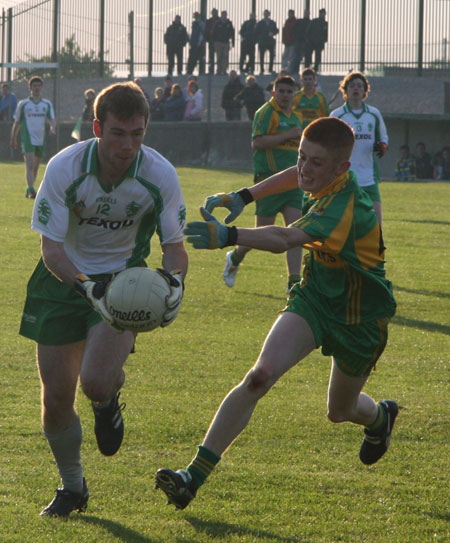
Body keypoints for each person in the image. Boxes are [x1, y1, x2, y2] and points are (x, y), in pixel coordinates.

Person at [155, 117, 398, 510]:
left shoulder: (345, 207)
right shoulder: (317, 178)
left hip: (361, 318)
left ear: (342, 169)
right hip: (315, 298)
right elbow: (292, 176)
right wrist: (244, 196)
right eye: (302, 156)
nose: (304, 168)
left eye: (315, 163)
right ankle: (191, 477)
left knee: (340, 411)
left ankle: (378, 418)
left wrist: (229, 236)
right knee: (259, 376)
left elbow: (285, 238)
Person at [19, 81, 188, 518]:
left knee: (94, 381)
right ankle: (73, 488)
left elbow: (174, 247)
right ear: (97, 127)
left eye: (138, 134)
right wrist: (85, 286)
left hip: (123, 285)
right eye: (118, 133)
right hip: (61, 281)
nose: (128, 145)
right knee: (56, 399)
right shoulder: (64, 168)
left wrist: (174, 284)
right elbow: (51, 250)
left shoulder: (159, 175)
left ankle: (107, 401)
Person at [221, 75, 304, 292]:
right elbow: (257, 142)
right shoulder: (266, 112)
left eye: (289, 91)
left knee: (295, 233)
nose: (286, 95)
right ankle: (235, 257)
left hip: (294, 183)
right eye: (282, 91)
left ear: (294, 94)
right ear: (273, 92)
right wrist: (288, 134)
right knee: (260, 233)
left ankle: (293, 284)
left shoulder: (296, 116)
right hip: (269, 181)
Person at [330, 71, 388, 224]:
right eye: (352, 86)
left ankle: (375, 248)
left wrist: (383, 146)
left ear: (364, 91)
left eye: (359, 86)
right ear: (345, 90)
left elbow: (383, 137)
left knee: (376, 224)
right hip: (345, 178)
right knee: (344, 223)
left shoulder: (374, 114)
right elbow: (328, 143)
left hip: (369, 178)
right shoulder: (337, 115)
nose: (356, 89)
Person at [10, 76, 56, 199]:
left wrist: (52, 128)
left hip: (41, 138)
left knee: (35, 166)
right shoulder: (23, 104)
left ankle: (30, 188)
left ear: (42, 87)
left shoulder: (46, 104)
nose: (36, 88)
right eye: (34, 86)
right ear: (30, 87)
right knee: (29, 164)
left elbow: (52, 119)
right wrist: (13, 137)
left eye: (38, 85)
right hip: (27, 137)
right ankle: (31, 190)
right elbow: (17, 122)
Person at [255, 9, 279, 74]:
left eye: (267, 14)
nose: (266, 15)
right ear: (263, 14)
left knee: (272, 55)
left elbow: (276, 30)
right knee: (261, 56)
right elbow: (256, 31)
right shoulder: (260, 23)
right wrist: (259, 38)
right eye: (265, 14)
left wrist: (273, 33)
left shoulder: (272, 22)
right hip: (262, 41)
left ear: (269, 14)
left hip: (270, 41)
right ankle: (261, 69)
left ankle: (270, 69)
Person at [212, 10, 235, 76]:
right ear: (221, 15)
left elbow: (232, 32)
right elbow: (214, 33)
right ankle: (219, 70)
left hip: (226, 42)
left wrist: (233, 42)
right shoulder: (217, 23)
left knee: (225, 56)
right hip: (218, 42)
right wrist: (214, 42)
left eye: (225, 15)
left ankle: (224, 70)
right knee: (219, 56)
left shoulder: (229, 23)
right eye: (223, 15)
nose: (224, 16)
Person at [305, 8, 328, 72]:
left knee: (317, 56)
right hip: (311, 41)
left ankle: (315, 68)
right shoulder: (314, 21)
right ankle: (307, 68)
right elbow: (308, 31)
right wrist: (308, 39)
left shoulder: (325, 23)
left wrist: (324, 40)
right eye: (321, 13)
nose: (322, 15)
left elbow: (326, 34)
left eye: (323, 13)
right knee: (309, 56)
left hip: (319, 42)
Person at [289, 9, 311, 76]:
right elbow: (293, 30)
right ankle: (295, 70)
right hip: (299, 42)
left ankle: (306, 71)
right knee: (297, 57)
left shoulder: (310, 22)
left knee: (307, 57)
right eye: (306, 13)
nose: (306, 14)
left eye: (307, 13)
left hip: (306, 42)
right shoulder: (299, 21)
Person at [206, 8, 219, 74]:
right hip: (211, 40)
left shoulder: (219, 20)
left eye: (215, 12)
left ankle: (219, 70)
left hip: (218, 41)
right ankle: (211, 70)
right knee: (211, 56)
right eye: (213, 12)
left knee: (219, 56)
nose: (214, 14)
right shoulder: (209, 21)